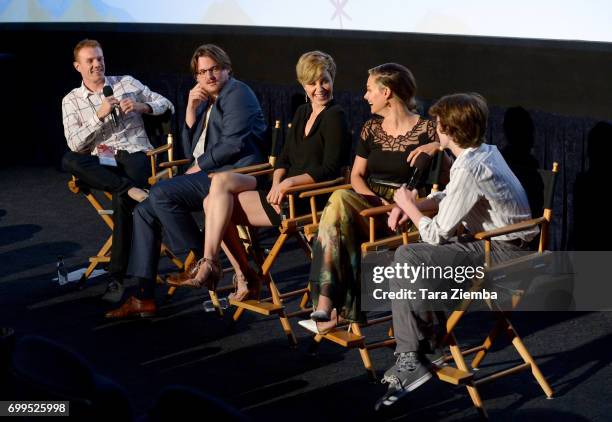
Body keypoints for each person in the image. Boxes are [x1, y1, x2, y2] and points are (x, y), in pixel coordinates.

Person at [376, 93, 539, 410]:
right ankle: (424, 348)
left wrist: (408, 206)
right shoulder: (483, 153)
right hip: (501, 245)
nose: (435, 129)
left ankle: (415, 354)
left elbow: (437, 235)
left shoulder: (469, 168)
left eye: (438, 125)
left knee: (409, 257)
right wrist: (417, 206)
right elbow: (448, 198)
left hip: (505, 256)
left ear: (448, 129)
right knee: (409, 260)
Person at [168, 50, 351, 302]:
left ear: (333, 79)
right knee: (216, 190)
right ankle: (218, 265)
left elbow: (331, 168)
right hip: (282, 194)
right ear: (303, 84)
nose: (319, 88)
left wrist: (288, 183)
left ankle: (238, 274)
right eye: (312, 82)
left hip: (308, 199)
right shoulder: (302, 112)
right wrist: (277, 180)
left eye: (324, 81)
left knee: (214, 203)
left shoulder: (336, 116)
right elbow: (284, 157)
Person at [105, 44, 266, 318]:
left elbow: (232, 145)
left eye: (214, 69)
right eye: (202, 72)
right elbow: (192, 151)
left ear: (227, 68)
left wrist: (198, 167)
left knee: (160, 193)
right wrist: (191, 109)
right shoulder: (211, 101)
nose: (209, 76)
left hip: (232, 175)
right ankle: (144, 296)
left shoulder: (237, 93)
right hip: (209, 172)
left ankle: (204, 263)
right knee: (143, 211)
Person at [299, 63, 446, 335]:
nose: (365, 96)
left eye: (369, 90)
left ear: (387, 92)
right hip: (371, 203)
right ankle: (327, 302)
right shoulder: (371, 128)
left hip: (405, 211)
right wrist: (373, 202)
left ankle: (329, 305)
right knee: (341, 196)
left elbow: (453, 158)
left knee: (335, 218)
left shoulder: (427, 129)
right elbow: (356, 175)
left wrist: (437, 145)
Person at [61, 39, 174, 302]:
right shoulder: (71, 100)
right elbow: (76, 143)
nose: (96, 64)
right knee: (69, 160)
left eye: (99, 58)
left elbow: (166, 104)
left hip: (135, 151)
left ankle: (117, 279)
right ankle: (128, 188)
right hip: (103, 156)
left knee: (122, 200)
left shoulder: (127, 83)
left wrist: (141, 106)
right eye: (89, 61)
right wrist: (98, 115)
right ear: (78, 66)